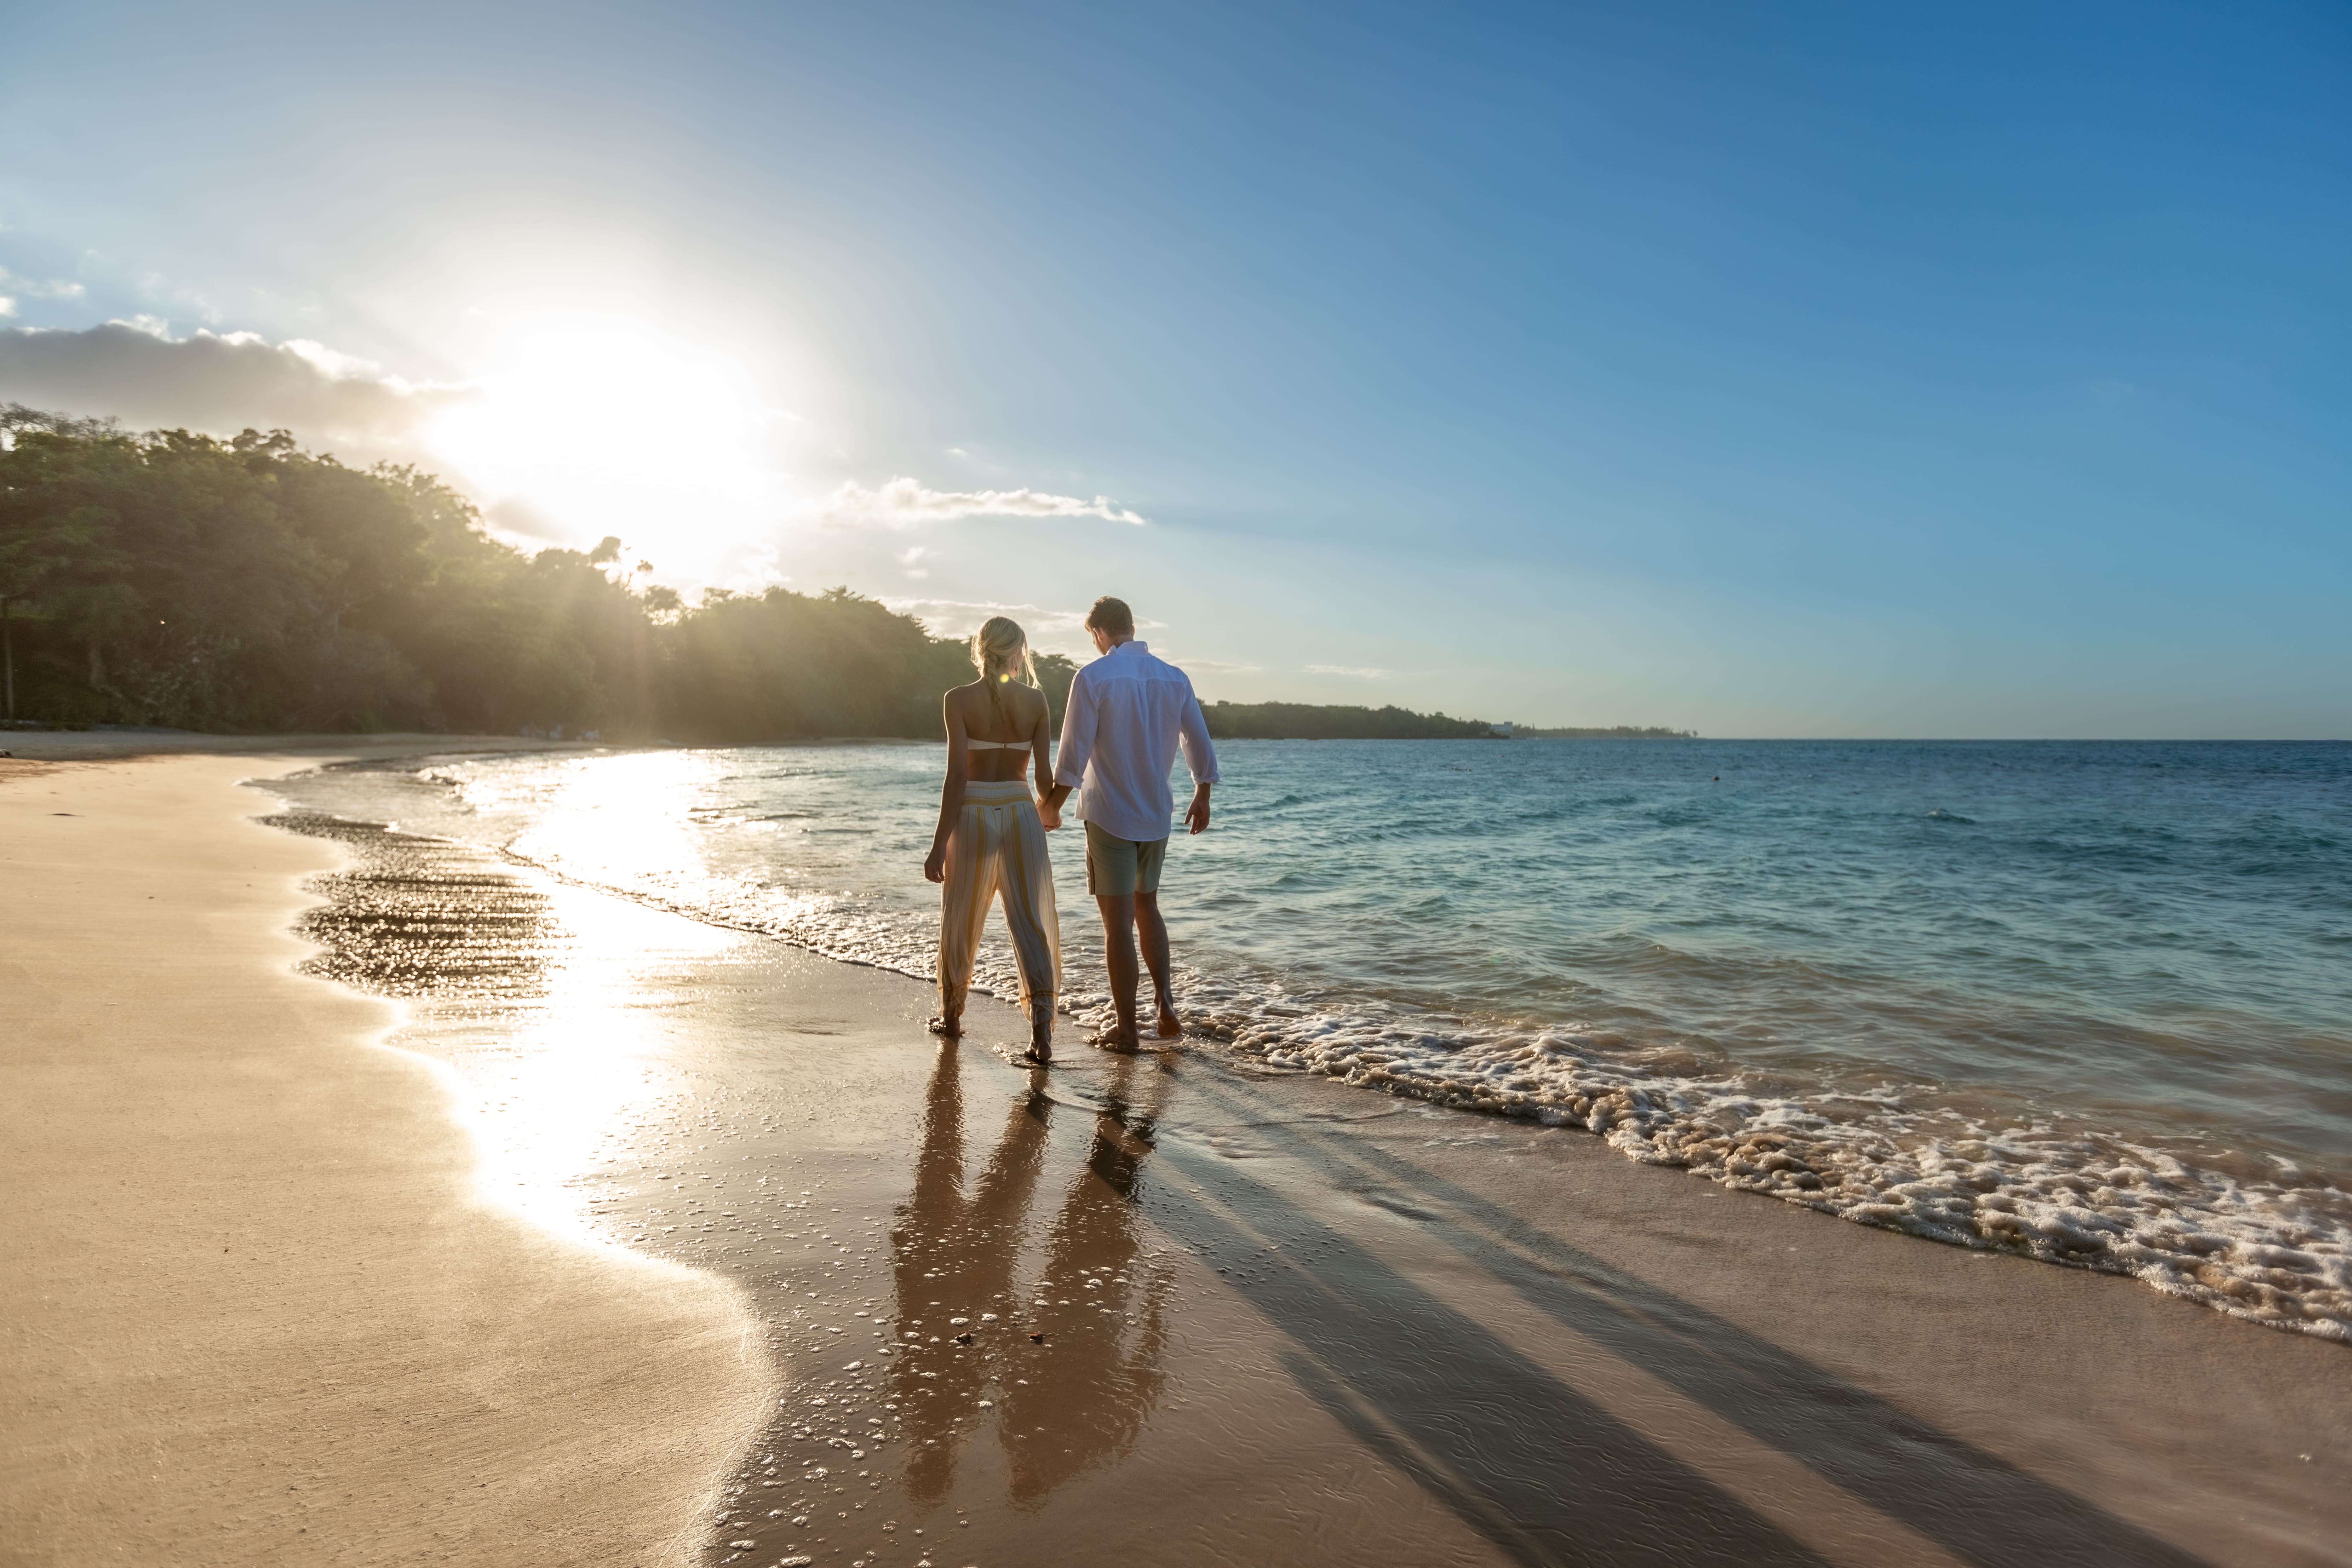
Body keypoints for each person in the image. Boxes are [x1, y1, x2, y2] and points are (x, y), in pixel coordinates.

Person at [1039, 596, 1220, 1050]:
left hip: (1109, 815)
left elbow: (1073, 752)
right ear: (1131, 627)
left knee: (1117, 925)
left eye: (1094, 637)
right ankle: (1164, 1006)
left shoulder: (1094, 676)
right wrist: (1203, 793)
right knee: (1148, 908)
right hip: (1156, 814)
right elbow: (1197, 739)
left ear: (1100, 632)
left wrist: (1053, 805)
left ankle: (1126, 1030)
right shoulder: (1173, 677)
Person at [924, 616, 1061, 1064]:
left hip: (975, 815)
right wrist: (1052, 806)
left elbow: (958, 777)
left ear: (980, 648)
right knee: (1030, 923)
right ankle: (1041, 1035)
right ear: (1019, 651)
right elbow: (1044, 778)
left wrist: (938, 843)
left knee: (961, 918)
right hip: (1022, 814)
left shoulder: (958, 700)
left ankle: (952, 1016)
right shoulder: (1036, 700)